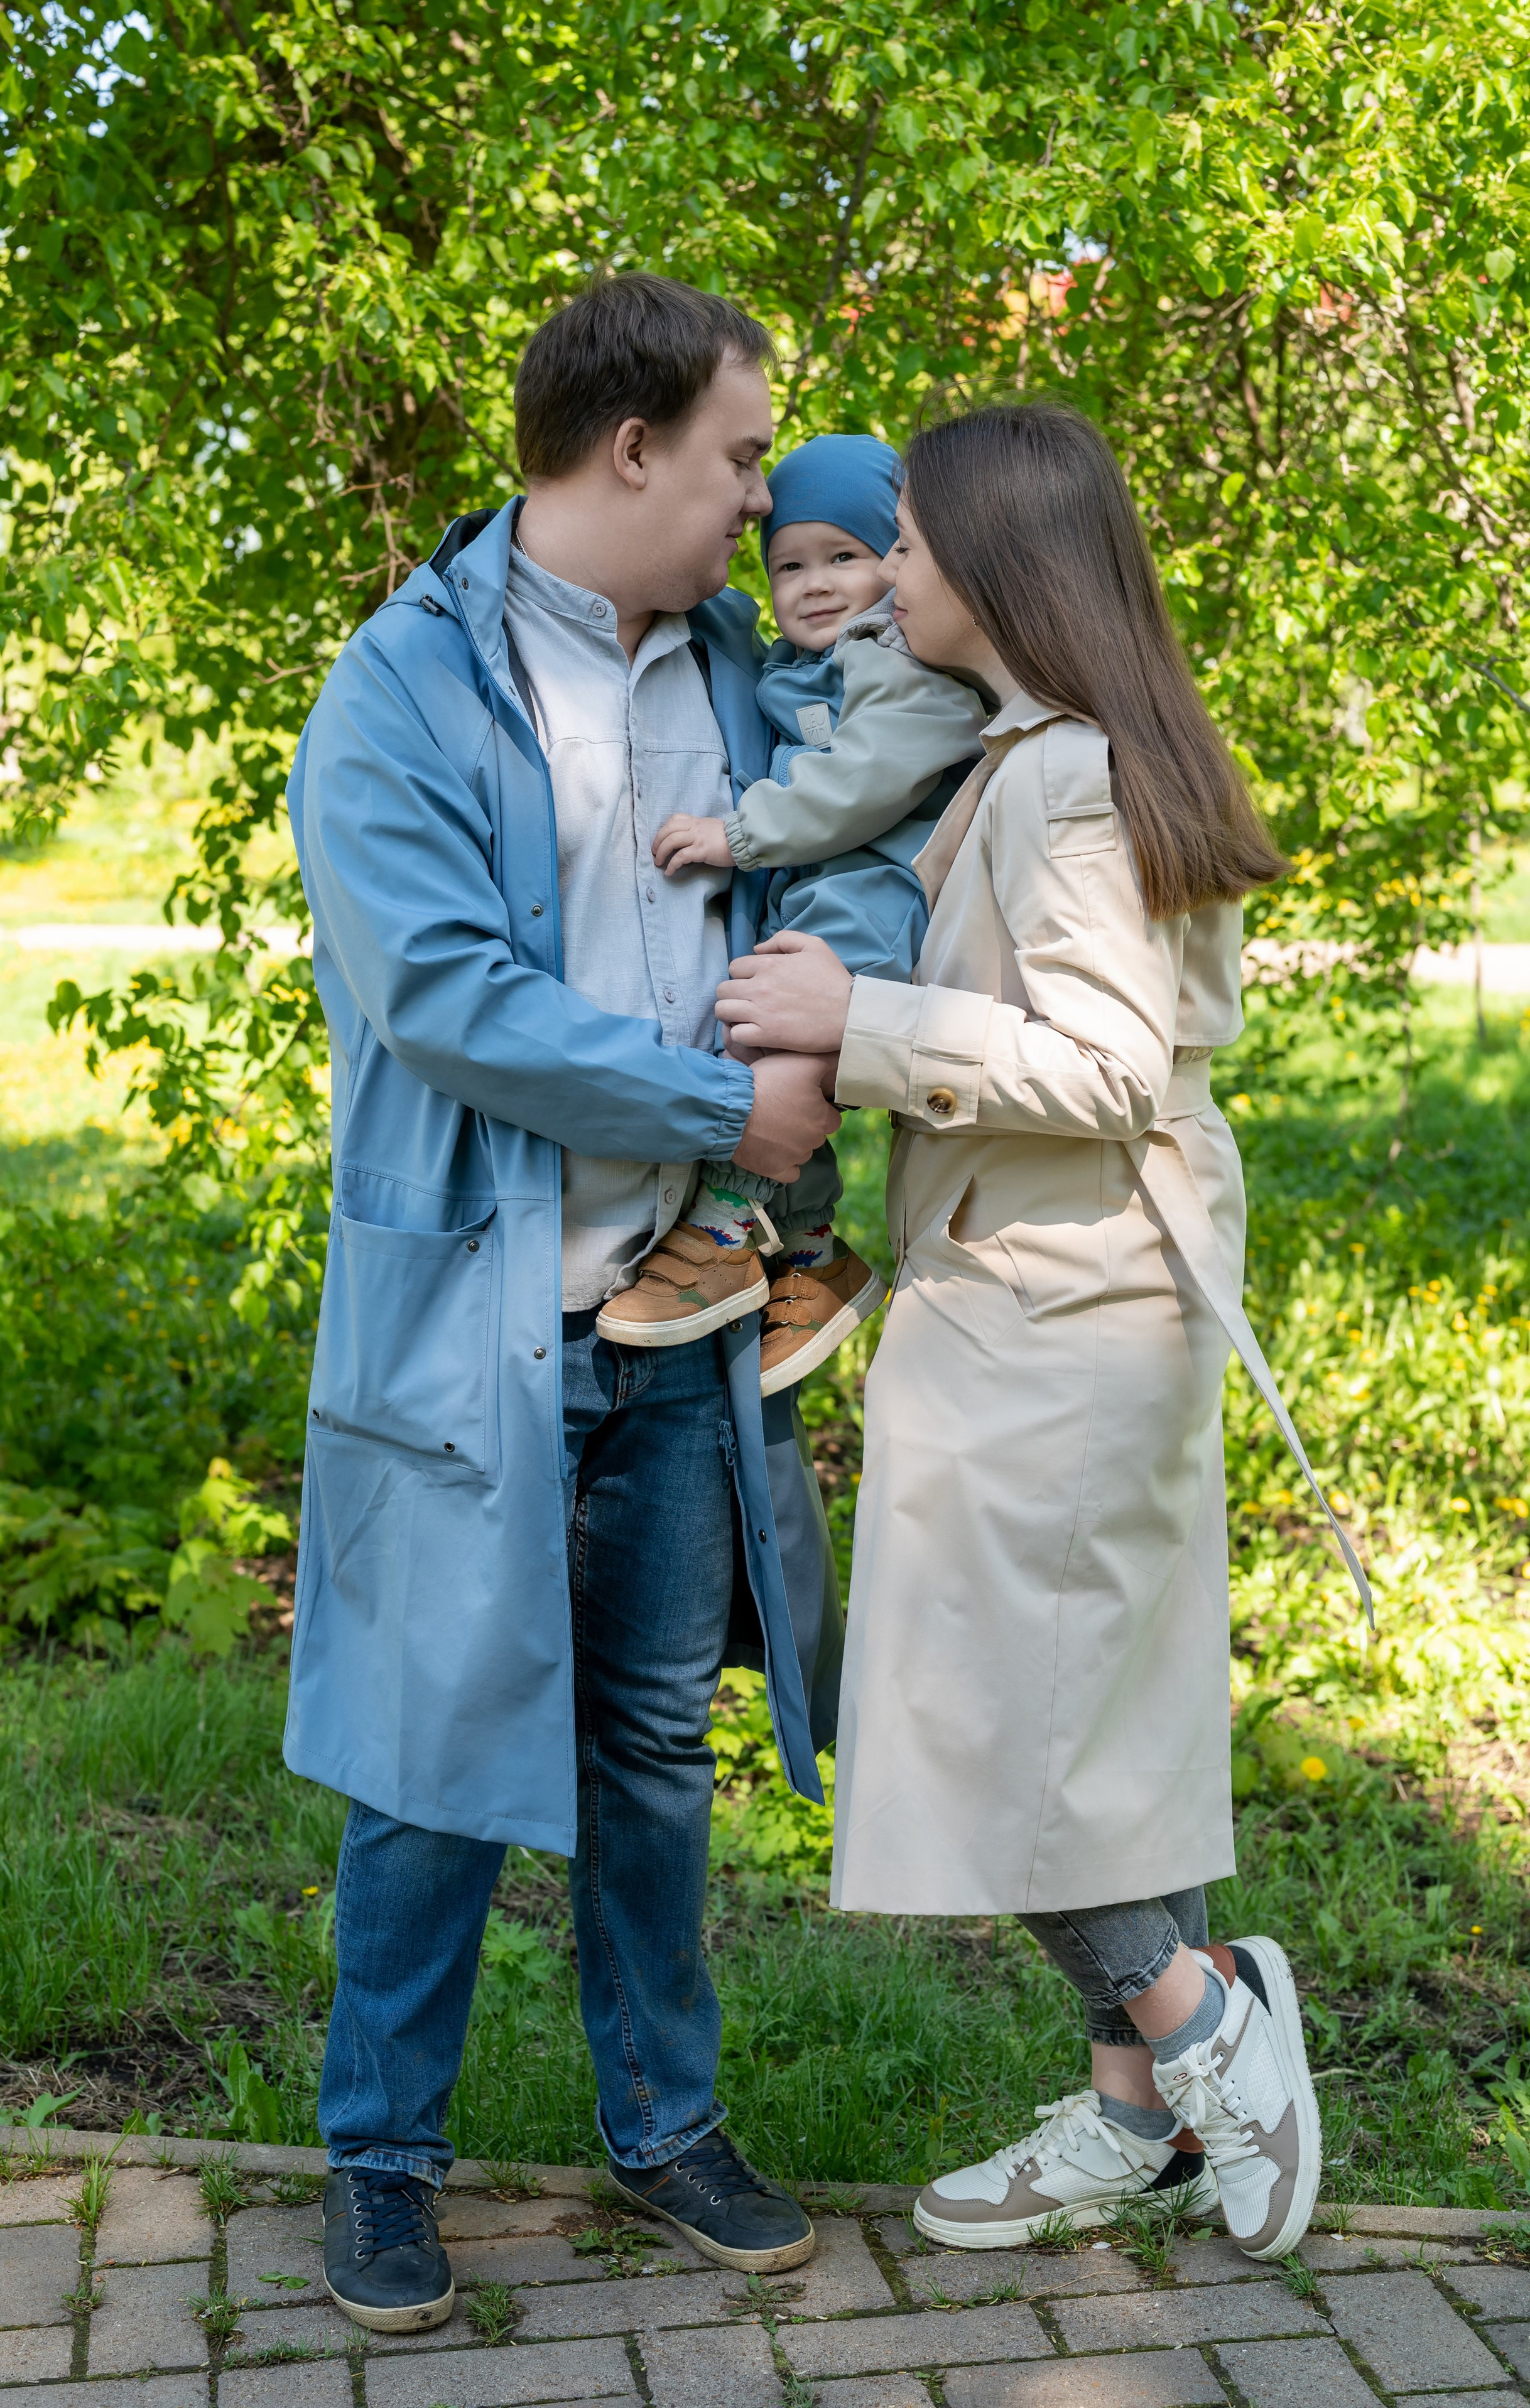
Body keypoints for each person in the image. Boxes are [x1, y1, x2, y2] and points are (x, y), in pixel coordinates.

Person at [285, 273, 932, 2332]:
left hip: (690, 1322)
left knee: (653, 1751)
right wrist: (718, 1101)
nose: (768, 502)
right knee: (430, 1757)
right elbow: (447, 995)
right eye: (745, 455)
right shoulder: (403, 688)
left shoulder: (749, 671)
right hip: (477, 1320)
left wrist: (826, 1050)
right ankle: (381, 2160)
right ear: (630, 444)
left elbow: (855, 841)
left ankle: (665, 2126)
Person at [714, 397, 1338, 2265]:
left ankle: (1205, 2025)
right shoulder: (1038, 750)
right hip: (1052, 1283)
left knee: (1001, 1723)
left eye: (905, 542)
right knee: (1096, 1723)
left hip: (1062, 1295)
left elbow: (1107, 1062)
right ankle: (1136, 2113)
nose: (879, 570)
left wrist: (859, 1015)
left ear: (997, 562)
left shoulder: (1062, 776)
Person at [599, 434, 986, 1395]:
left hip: (876, 902)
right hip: (820, 898)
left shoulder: (901, 664)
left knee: (789, 1060)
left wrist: (738, 833)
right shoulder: (798, 664)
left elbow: (862, 782)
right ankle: (811, 1256)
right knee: (772, 1045)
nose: (814, 583)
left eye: (845, 556)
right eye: (789, 566)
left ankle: (726, 1226)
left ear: (895, 564)